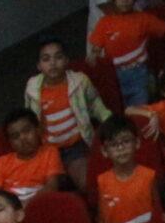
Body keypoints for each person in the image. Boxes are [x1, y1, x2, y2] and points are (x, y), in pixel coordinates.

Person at [26, 39, 114, 189]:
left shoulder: (80, 81)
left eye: (58, 57)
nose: (53, 63)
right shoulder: (32, 88)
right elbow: (29, 119)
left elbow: (95, 104)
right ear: (39, 66)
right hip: (47, 150)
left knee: (85, 183)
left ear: (66, 60)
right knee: (47, 189)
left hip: (75, 146)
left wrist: (110, 121)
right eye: (46, 59)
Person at [91, 115, 160, 223]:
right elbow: (103, 222)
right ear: (104, 151)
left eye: (126, 141)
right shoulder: (102, 181)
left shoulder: (149, 176)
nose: (121, 148)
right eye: (114, 144)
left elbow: (158, 216)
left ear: (137, 143)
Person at [88, 0, 165, 110]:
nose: (125, 0)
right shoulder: (104, 22)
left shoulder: (143, 18)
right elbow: (95, 50)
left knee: (140, 112)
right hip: (115, 78)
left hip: (139, 76)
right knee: (121, 112)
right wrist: (93, 57)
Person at [0, 109, 69, 205]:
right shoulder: (1, 162)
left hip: (40, 205)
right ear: (10, 142)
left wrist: (25, 205)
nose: (23, 138)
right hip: (9, 210)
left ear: (38, 130)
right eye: (15, 136)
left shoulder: (49, 153)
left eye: (26, 131)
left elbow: (52, 187)